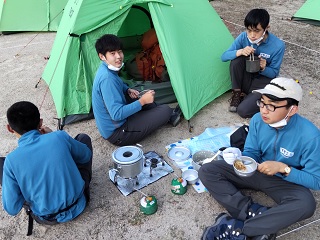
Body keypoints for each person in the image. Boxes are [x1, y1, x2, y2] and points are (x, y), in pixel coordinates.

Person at [199, 78, 320, 240]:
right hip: (257, 170)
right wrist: (241, 159)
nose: (264, 110)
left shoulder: (310, 136)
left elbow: (316, 180)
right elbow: (251, 151)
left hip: (285, 182)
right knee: (208, 170)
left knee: (306, 205)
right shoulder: (257, 120)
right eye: (262, 103)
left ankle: (241, 229)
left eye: (272, 106)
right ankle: (253, 212)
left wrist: (284, 169)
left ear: (292, 110)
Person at [1, 101, 93, 236]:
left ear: (10, 128)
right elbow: (85, 156)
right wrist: (53, 136)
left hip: (47, 217)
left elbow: (12, 208)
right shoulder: (59, 137)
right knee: (83, 138)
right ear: (40, 122)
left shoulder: (11, 161)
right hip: (79, 202)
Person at [92, 34, 181, 146]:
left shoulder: (106, 68)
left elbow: (118, 83)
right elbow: (117, 114)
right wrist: (142, 102)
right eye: (112, 53)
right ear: (102, 56)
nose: (118, 56)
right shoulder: (107, 79)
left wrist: (128, 89)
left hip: (114, 126)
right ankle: (166, 115)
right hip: (119, 134)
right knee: (165, 110)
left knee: (143, 97)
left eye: (119, 52)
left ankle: (156, 113)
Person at [221, 8, 285, 118]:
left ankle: (253, 97)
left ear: (266, 28)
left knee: (243, 111)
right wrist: (240, 51)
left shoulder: (278, 46)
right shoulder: (243, 37)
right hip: (247, 77)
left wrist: (264, 68)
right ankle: (237, 93)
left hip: (262, 82)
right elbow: (224, 57)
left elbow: (274, 73)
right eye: (249, 30)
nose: (252, 35)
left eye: (256, 31)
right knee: (237, 60)